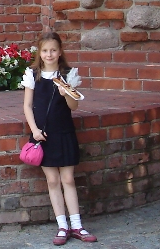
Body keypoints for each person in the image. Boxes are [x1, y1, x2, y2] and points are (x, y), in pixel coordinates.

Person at [22, 32, 97, 245]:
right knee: (53, 180)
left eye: (53, 50)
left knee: (68, 179)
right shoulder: (33, 74)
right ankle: (62, 226)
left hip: (64, 132)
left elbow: (75, 106)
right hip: (43, 135)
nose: (49, 54)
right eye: (45, 50)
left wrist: (66, 94)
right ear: (40, 52)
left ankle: (77, 225)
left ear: (60, 52)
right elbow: (27, 105)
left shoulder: (68, 74)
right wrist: (34, 130)